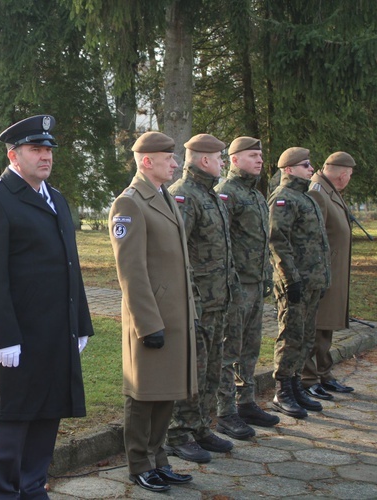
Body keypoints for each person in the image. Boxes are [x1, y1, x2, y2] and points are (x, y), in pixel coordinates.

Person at [0, 115, 94, 499]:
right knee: (13, 422)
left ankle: (33, 487)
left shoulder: (55, 197)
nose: (45, 156)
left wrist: (81, 323)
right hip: (18, 337)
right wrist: (3, 337)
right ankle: (5, 493)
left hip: (56, 331)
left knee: (46, 415)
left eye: (48, 150)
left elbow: (71, 266)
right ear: (13, 155)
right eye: (35, 149)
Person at [109, 131, 197, 492]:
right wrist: (148, 323)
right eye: (169, 158)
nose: (175, 164)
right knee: (143, 395)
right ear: (147, 161)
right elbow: (130, 270)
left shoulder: (162, 195)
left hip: (174, 314)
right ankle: (139, 464)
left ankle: (159, 458)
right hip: (151, 317)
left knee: (167, 391)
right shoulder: (130, 203)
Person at [165, 133, 236, 463]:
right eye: (220, 158)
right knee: (192, 366)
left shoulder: (211, 195)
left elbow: (221, 248)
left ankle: (201, 426)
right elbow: (178, 255)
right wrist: (190, 300)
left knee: (211, 365)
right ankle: (180, 432)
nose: (223, 163)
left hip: (217, 299)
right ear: (204, 160)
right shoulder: (184, 196)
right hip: (197, 301)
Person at [214, 137, 280, 438]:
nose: (259, 160)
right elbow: (220, 243)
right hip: (236, 285)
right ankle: (224, 412)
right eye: (252, 155)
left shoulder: (253, 193)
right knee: (229, 348)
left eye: (260, 156)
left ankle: (246, 401)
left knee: (250, 347)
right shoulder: (226, 193)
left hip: (254, 283)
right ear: (234, 160)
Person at [268, 147, 331, 419]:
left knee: (305, 336)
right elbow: (277, 242)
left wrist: (322, 277)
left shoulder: (306, 198)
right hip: (295, 281)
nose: (311, 168)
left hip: (312, 282)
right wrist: (290, 278)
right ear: (288, 169)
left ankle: (295, 385)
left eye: (310, 164)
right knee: (290, 336)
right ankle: (282, 390)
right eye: (305, 165)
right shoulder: (283, 198)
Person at [301, 151, 357, 399]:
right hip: (321, 273)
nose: (349, 179)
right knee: (315, 325)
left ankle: (325, 374)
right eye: (350, 175)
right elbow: (311, 236)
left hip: (331, 271)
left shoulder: (329, 190)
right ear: (344, 175)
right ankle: (309, 377)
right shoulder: (318, 191)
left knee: (326, 325)